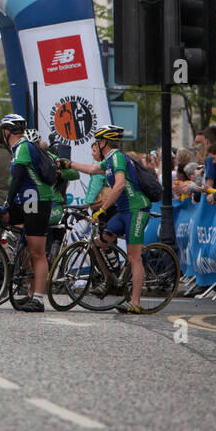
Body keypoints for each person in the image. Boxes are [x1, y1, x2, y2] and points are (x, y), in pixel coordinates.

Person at [63, 124, 149, 314]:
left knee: (134, 257)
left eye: (97, 141)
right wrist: (69, 164)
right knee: (97, 244)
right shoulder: (109, 159)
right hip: (124, 211)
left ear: (104, 142)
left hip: (136, 210)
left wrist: (102, 209)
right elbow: (93, 169)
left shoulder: (117, 157)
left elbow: (118, 186)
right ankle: (110, 279)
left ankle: (135, 302)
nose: (96, 144)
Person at [0, 115, 56, 312]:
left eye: (2, 130)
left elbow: (18, 178)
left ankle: (38, 298)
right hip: (28, 201)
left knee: (37, 251)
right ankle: (28, 290)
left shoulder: (23, 147)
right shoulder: (18, 149)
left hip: (37, 201)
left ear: (7, 131)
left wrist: (7, 202)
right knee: (26, 246)